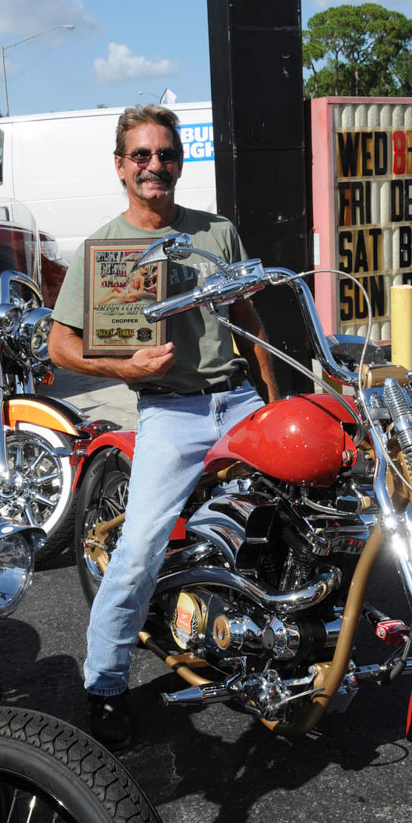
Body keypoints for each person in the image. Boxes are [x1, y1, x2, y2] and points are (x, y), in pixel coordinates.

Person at [48, 104, 279, 748]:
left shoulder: (218, 232)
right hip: (170, 411)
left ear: (180, 162)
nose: (155, 165)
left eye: (166, 154)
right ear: (121, 166)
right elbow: (60, 346)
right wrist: (122, 367)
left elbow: (250, 321)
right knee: (140, 551)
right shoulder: (102, 249)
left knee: (299, 516)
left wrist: (274, 398)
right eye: (142, 155)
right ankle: (104, 683)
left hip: (237, 400)